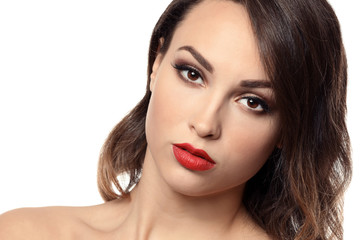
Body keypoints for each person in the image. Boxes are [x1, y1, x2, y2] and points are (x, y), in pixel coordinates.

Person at [0, 0, 351, 239]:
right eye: (192, 74)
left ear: (287, 129)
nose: (205, 123)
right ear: (156, 64)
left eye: (252, 102)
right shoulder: (22, 232)